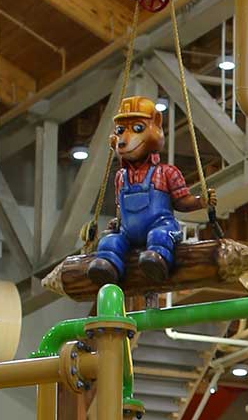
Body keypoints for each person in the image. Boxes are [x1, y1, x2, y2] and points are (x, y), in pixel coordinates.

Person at [87, 96, 203, 285]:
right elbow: (121, 207)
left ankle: (157, 261)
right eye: (120, 131)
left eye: (138, 128)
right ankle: (108, 268)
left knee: (159, 236)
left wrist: (200, 201)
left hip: (161, 226)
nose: (123, 140)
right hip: (128, 232)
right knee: (109, 242)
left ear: (155, 125)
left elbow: (182, 201)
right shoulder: (121, 177)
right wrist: (117, 222)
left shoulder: (166, 172)